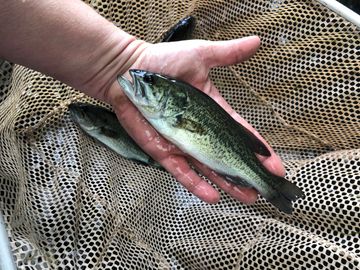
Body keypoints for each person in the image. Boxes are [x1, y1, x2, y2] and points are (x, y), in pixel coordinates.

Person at [0, 0, 285, 204]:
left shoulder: (173, 113)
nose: (138, 78)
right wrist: (115, 59)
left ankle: (269, 185)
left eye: (150, 83)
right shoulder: (165, 111)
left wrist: (111, 58)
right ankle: (268, 184)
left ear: (174, 104)